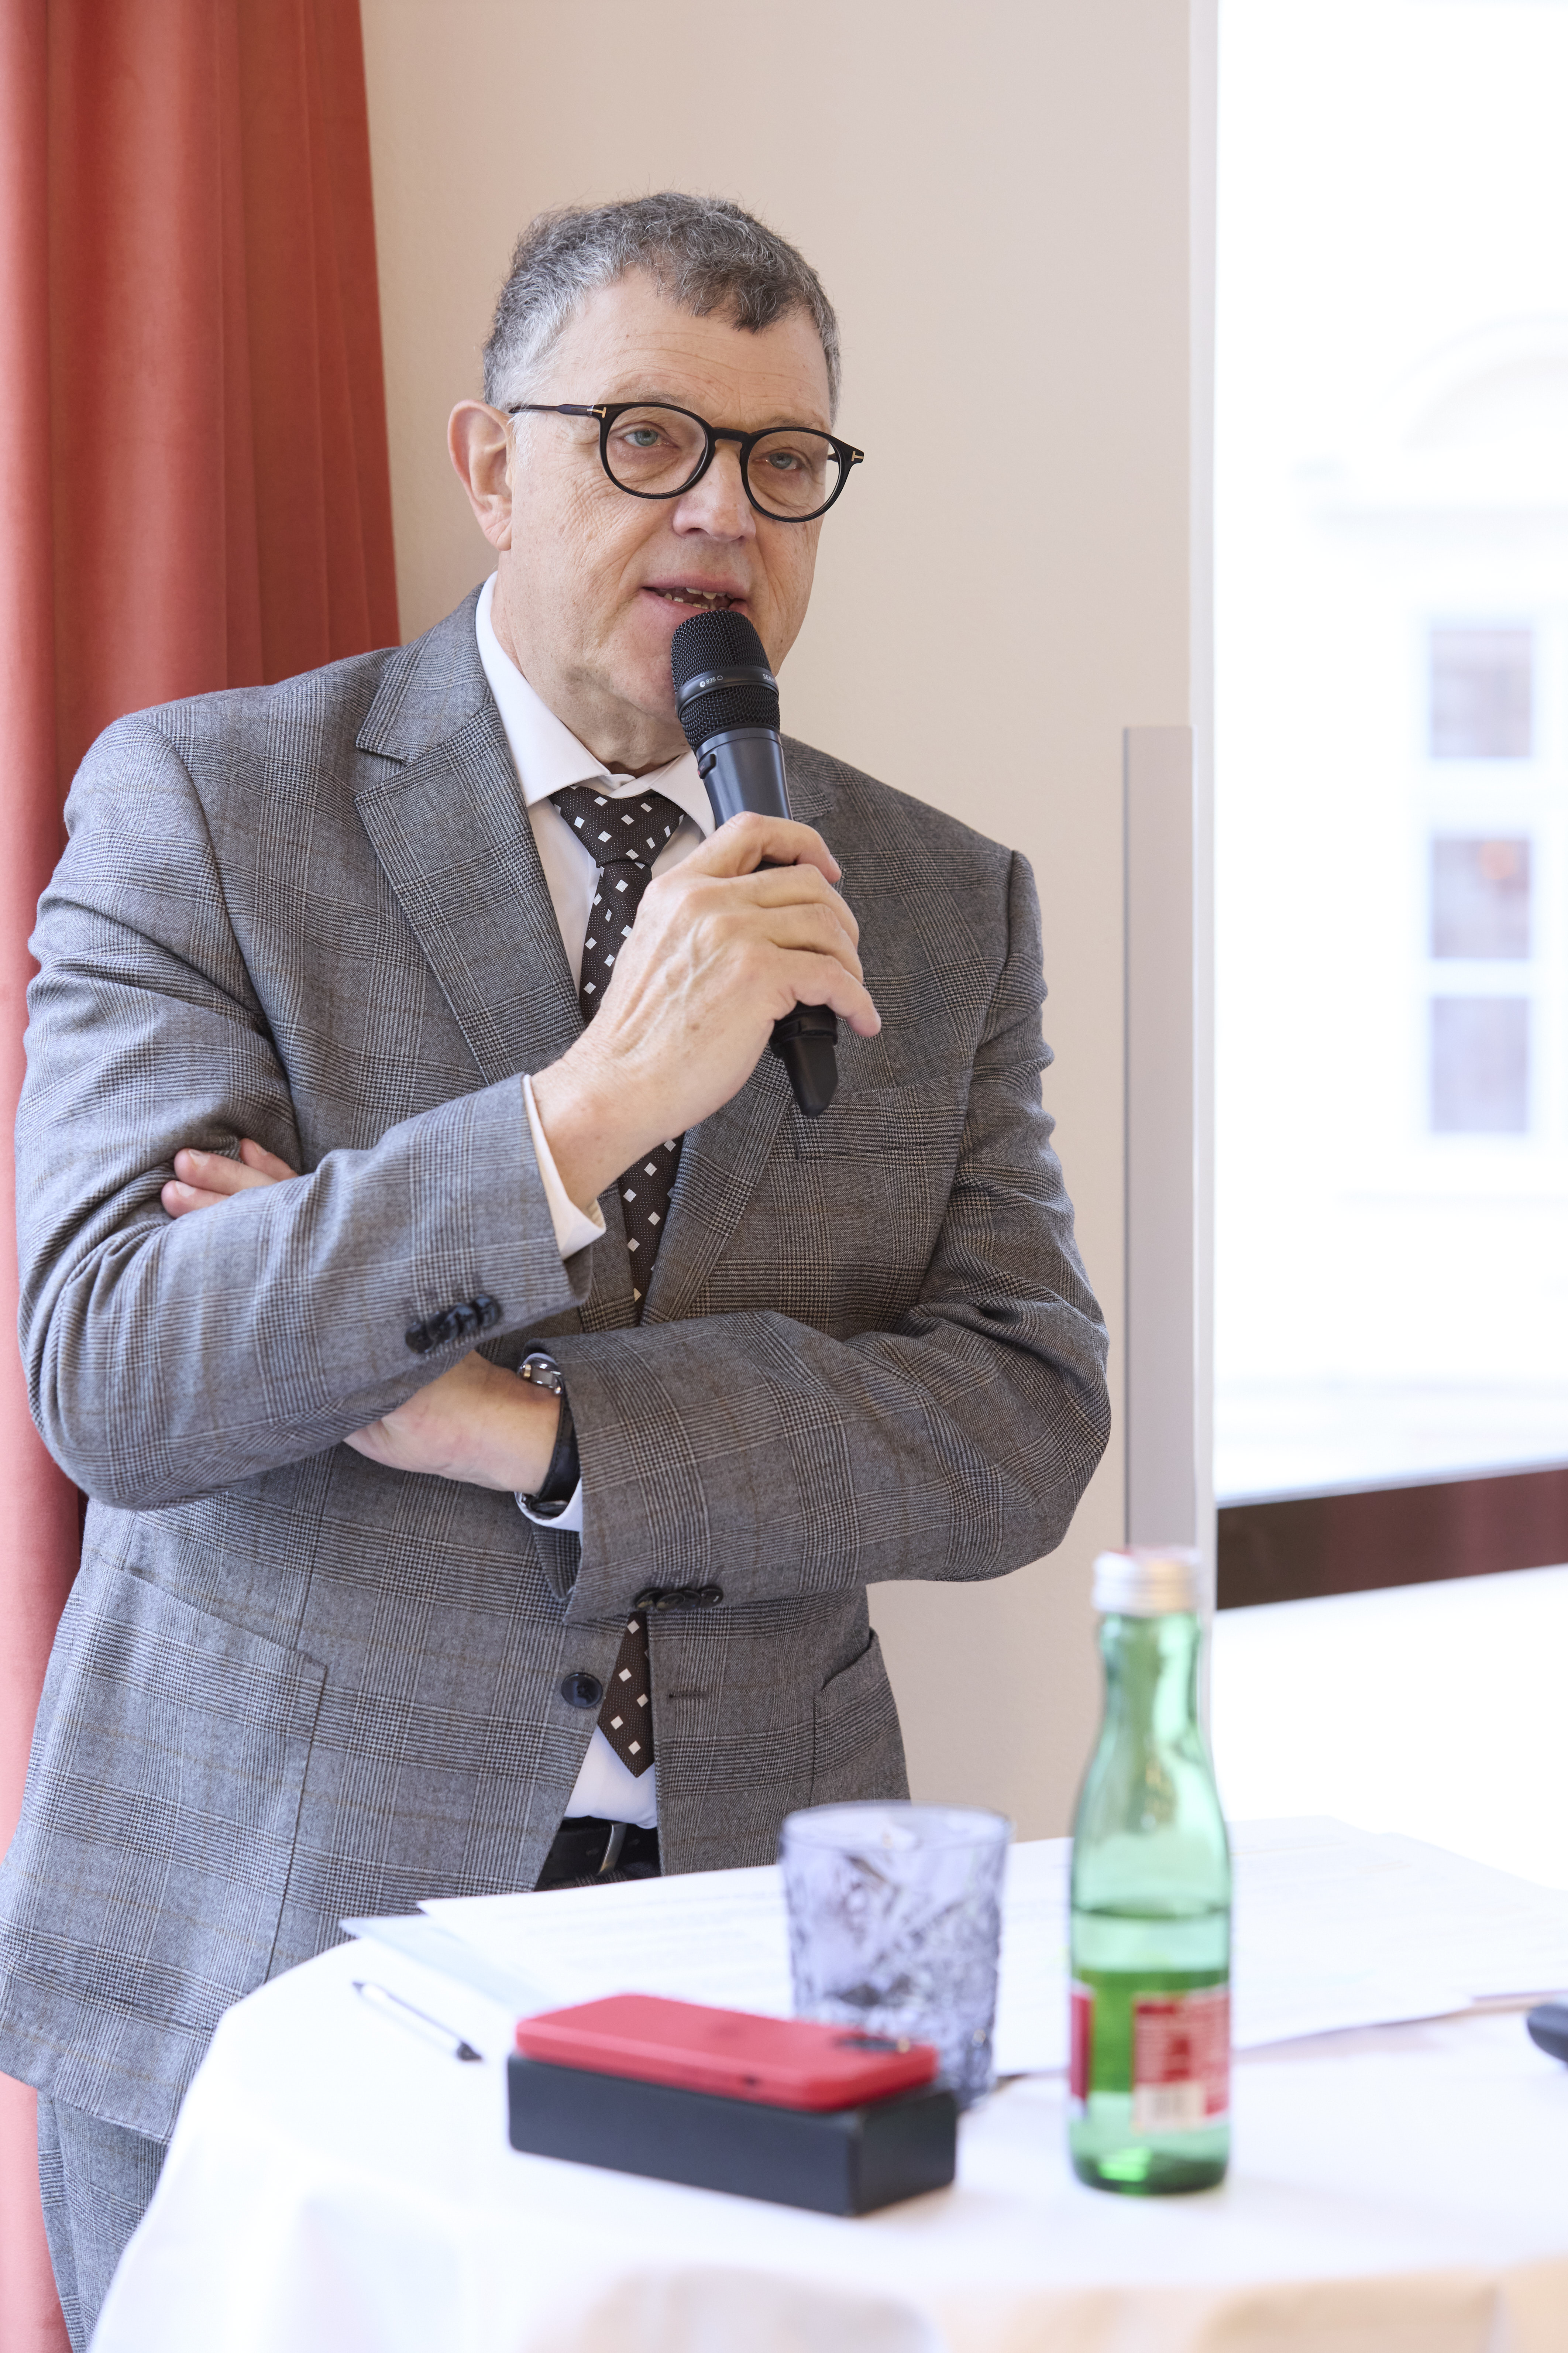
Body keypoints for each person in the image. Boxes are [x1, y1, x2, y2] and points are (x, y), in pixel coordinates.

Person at [0, 193, 1109, 2343]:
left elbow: (1022, 1423)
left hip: (754, 1947)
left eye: (783, 459)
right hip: (277, 1950)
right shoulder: (212, 803)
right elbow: (123, 1371)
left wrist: (536, 1430)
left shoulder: (937, 896)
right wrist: (584, 1110)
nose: (723, 513)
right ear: (490, 464)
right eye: (647, 438)